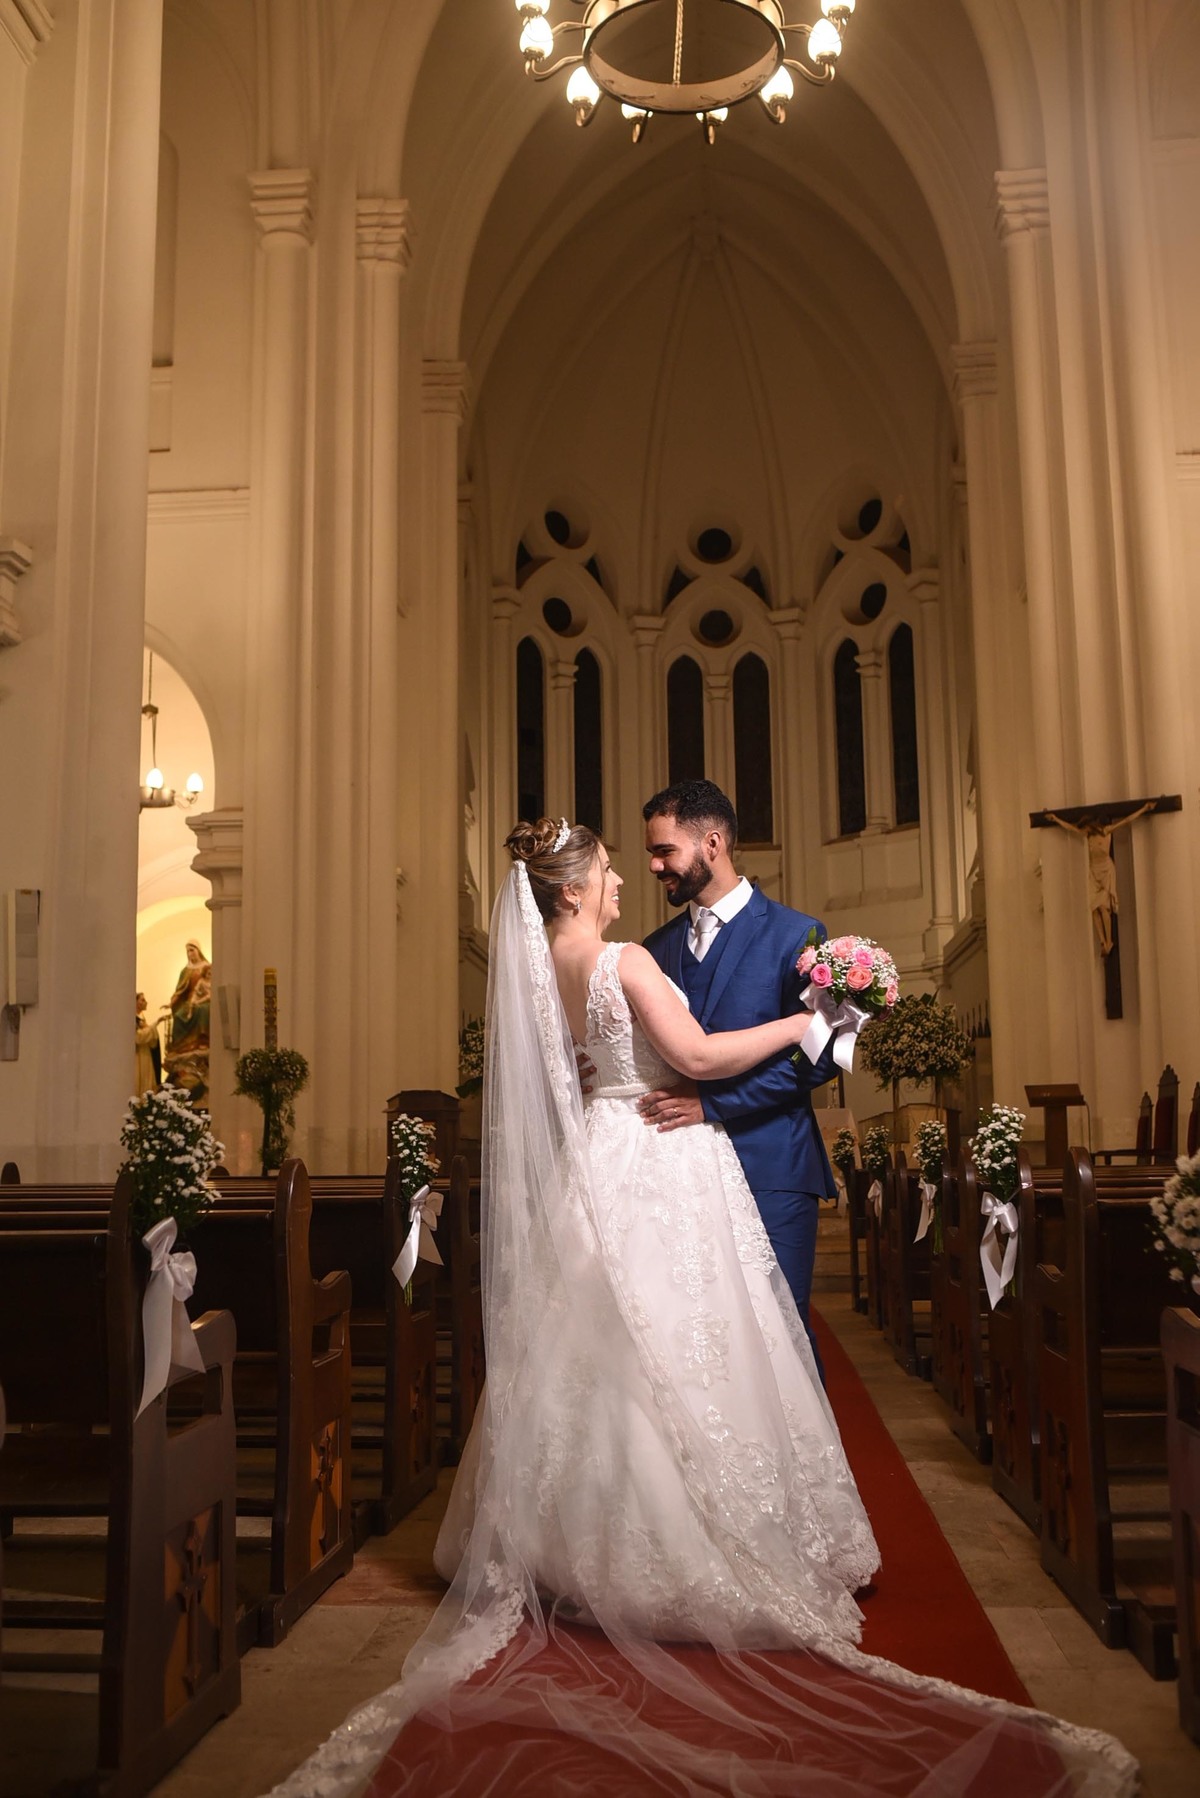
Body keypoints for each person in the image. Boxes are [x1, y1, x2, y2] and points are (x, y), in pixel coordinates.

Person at [268, 820, 1134, 1798]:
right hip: (663, 1155)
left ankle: (570, 1539)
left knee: (599, 1354)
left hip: (603, 1156)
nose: (622, 884)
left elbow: (583, 1072)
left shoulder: (542, 968)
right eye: (608, 872)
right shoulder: (625, 959)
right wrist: (808, 1024)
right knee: (689, 1345)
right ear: (572, 888)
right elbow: (701, 1054)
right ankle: (681, 1550)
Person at [638, 780, 838, 1378]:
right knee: (698, 1342)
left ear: (713, 844)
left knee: (782, 1336)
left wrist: (713, 1103)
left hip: (773, 1166)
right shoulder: (653, 950)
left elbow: (818, 1057)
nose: (654, 866)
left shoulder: (797, 935)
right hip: (679, 1176)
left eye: (665, 851)